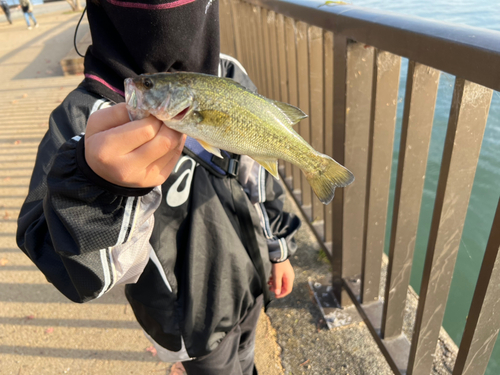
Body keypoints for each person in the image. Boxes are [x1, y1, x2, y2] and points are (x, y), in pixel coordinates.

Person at [16, 0, 301, 374]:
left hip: (251, 278)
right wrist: (93, 186)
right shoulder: (82, 118)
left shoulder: (228, 73)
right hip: (187, 320)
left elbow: (259, 177)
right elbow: (64, 263)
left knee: (249, 359)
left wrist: (279, 251)